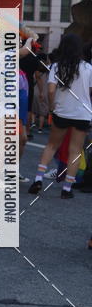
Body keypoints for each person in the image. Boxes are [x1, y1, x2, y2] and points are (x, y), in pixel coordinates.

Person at [29, 33, 92, 198]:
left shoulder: (56, 66)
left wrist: (52, 107)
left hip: (61, 112)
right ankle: (67, 189)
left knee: (51, 146)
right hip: (82, 114)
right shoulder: (88, 68)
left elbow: (51, 90)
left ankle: (38, 179)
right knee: (75, 150)